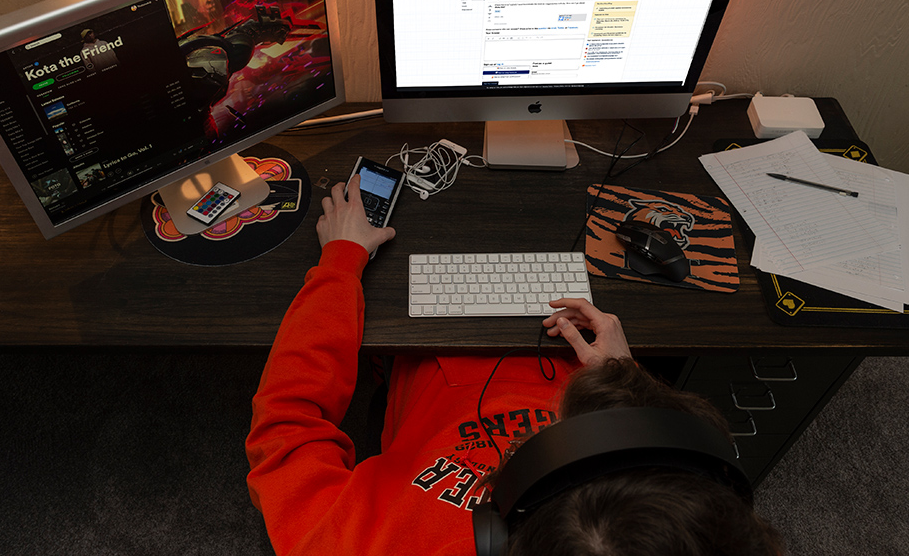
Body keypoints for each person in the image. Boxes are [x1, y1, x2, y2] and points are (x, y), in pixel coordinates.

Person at [246, 176, 783, 555]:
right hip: (583, 357)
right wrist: (626, 382)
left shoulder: (358, 546)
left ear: (497, 533)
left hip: (436, 356)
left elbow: (287, 425)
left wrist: (340, 259)